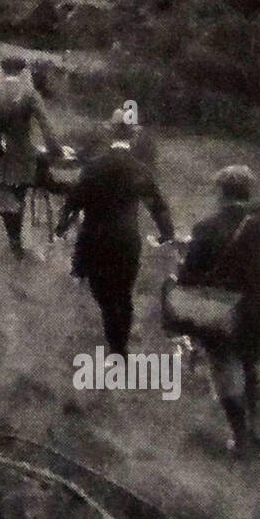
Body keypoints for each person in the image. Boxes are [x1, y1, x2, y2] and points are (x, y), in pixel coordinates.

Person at [177, 165, 260, 457]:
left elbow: (189, 276)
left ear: (220, 192)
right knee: (250, 367)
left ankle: (241, 438)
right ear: (248, 193)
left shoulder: (206, 227)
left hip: (222, 312)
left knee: (225, 371)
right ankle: (254, 432)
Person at [55, 134, 174, 355]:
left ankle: (117, 348)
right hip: (127, 240)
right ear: (131, 140)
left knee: (104, 297)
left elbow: (73, 201)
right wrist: (166, 234)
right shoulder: (139, 169)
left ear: (110, 140)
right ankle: (122, 345)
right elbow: (158, 207)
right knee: (124, 293)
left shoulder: (93, 167)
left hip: (95, 239)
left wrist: (61, 227)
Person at [0, 55, 61, 258]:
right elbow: (45, 123)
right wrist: (55, 149)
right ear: (21, 71)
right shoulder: (29, 93)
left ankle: (14, 241)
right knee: (19, 196)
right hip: (22, 154)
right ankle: (17, 244)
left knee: (5, 197)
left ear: (3, 70)